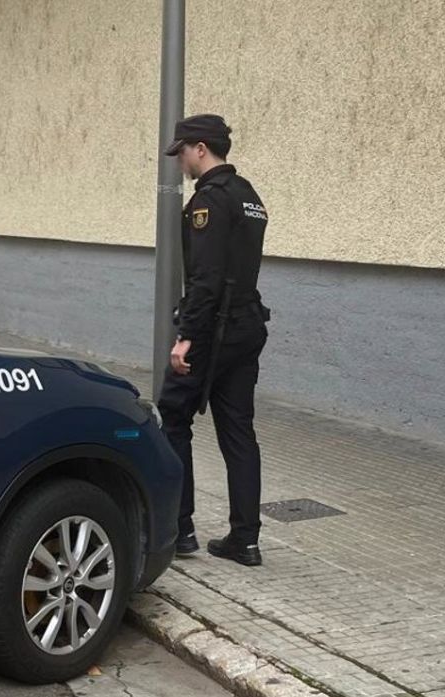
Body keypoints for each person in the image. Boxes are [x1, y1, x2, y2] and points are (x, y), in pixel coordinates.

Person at [157, 113, 270, 567]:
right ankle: (245, 540)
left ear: (200, 148)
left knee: (173, 418)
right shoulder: (250, 197)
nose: (180, 161)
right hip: (247, 327)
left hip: (213, 331)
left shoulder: (210, 201)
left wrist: (185, 339)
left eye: (182, 152)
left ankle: (179, 530)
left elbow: (205, 279)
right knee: (238, 430)